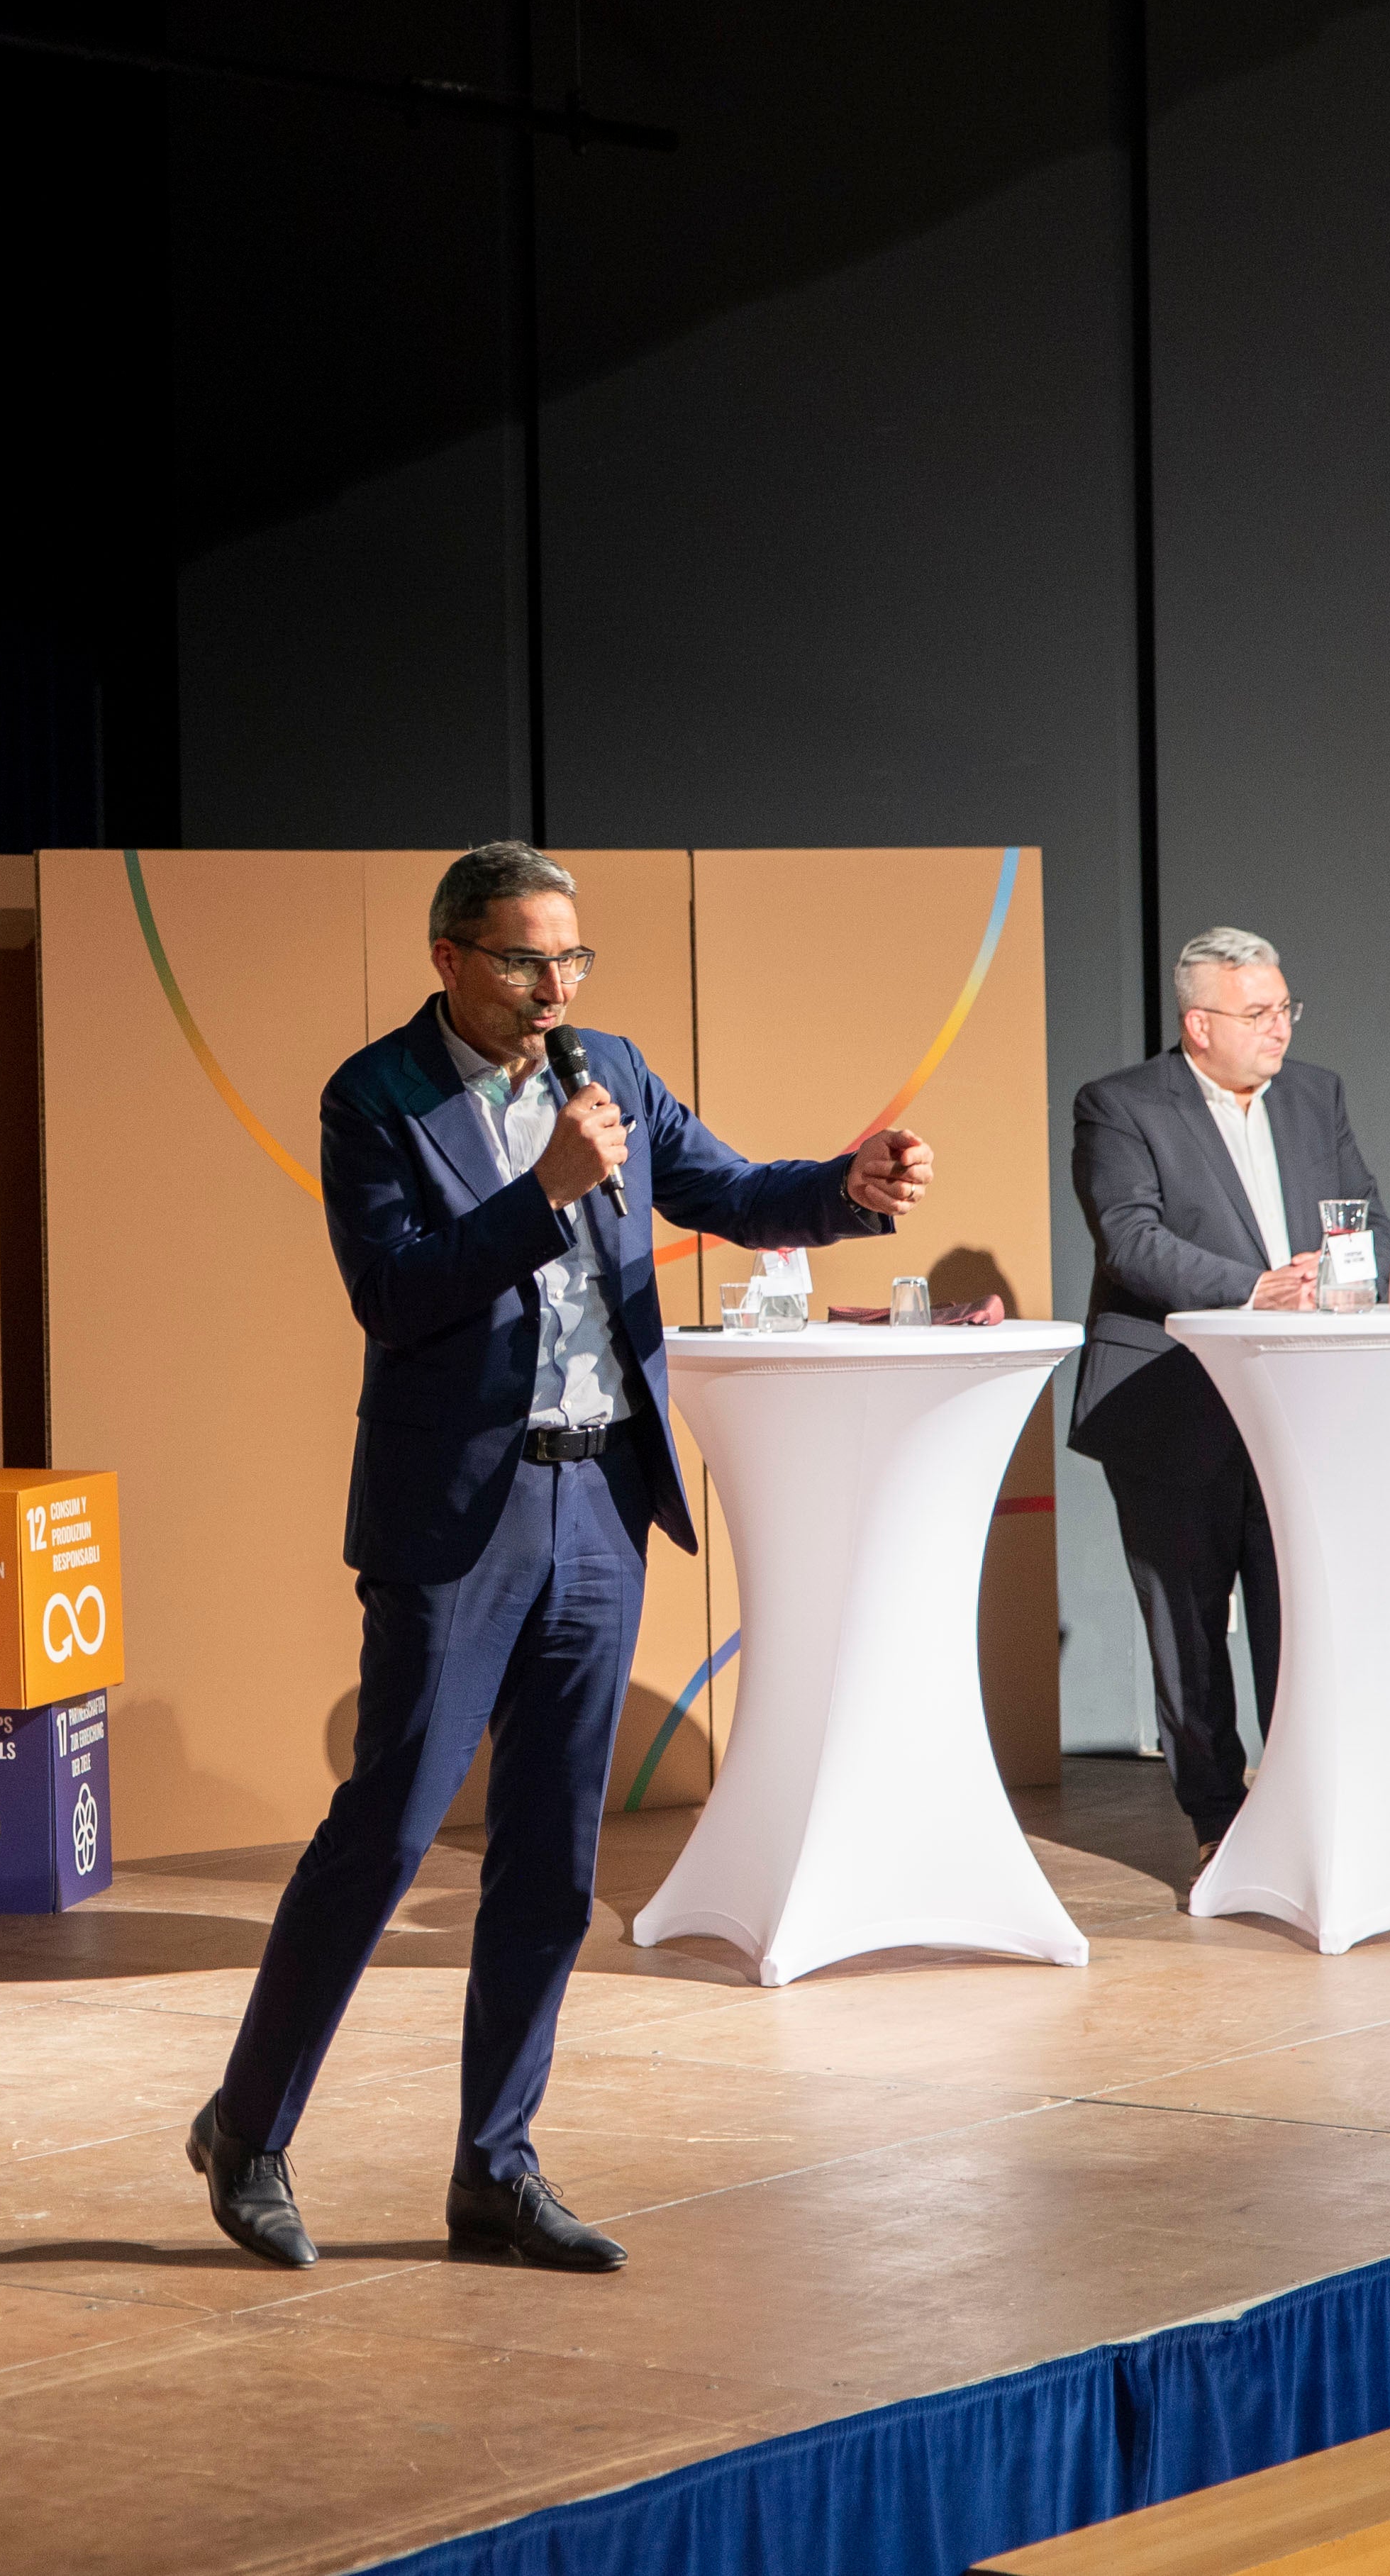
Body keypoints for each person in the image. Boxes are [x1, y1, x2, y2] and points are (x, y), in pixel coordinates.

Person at [191, 840, 931, 2274]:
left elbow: (730, 1189)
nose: (555, 988)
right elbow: (392, 1295)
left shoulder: (615, 1073)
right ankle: (249, 2127)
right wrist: (541, 1190)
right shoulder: (375, 1096)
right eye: (526, 959)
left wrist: (846, 1187)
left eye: (573, 958)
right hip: (457, 1514)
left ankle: (496, 2167)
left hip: (596, 1498)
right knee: (389, 1829)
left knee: (552, 1855)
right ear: (449, 958)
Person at [1067, 926, 1390, 1870]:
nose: (1278, 1028)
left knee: (1299, 1616)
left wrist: (1337, 1271)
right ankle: (1216, 1823)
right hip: (1169, 1400)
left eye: (1285, 1008)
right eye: (1257, 1013)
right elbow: (1129, 1239)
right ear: (1198, 1023)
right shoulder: (1121, 1104)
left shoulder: (1316, 1094)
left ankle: (1302, 1808)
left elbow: (1368, 1216)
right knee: (1188, 1627)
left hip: (1299, 1404)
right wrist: (1256, 1288)